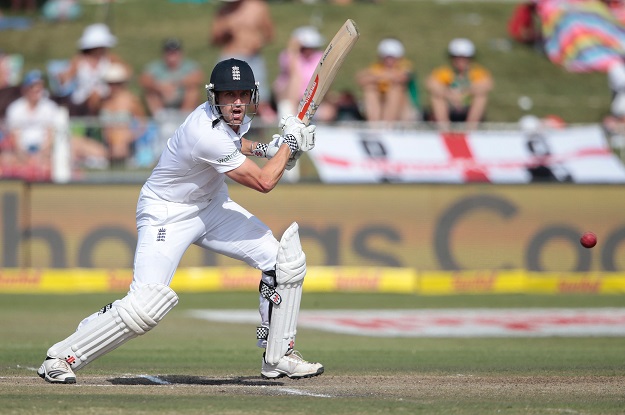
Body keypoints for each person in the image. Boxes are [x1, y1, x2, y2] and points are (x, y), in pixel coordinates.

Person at [36, 58, 322, 384]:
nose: (237, 103)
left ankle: (278, 354)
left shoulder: (231, 118)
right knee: (146, 305)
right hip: (167, 213)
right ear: (214, 97)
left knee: (282, 263)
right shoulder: (204, 132)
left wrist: (264, 148)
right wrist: (288, 144)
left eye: (243, 94)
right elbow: (264, 183)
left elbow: (237, 143)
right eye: (229, 96)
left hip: (211, 207)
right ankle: (61, 357)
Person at [210, 0, 276, 122]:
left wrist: (258, 41)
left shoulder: (257, 7)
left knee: (259, 100)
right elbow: (214, 39)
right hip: (230, 56)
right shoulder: (223, 11)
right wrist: (224, 32)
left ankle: (263, 133)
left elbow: (269, 33)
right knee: (226, 98)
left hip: (253, 57)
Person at [56, 23, 132, 116]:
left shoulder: (110, 58)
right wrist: (62, 77)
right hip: (82, 98)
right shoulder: (79, 60)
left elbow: (127, 72)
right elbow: (67, 77)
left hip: (106, 96)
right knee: (94, 96)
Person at [425, 38, 493, 131]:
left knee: (481, 97)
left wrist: (464, 94)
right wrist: (449, 94)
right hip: (449, 106)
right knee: (436, 97)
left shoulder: (477, 72)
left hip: (468, 107)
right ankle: (444, 130)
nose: (460, 61)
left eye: (464, 58)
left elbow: (487, 85)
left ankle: (470, 129)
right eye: (457, 57)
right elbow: (431, 84)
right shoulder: (445, 71)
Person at [356, 38, 420, 123]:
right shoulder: (377, 67)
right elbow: (361, 79)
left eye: (392, 58)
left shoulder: (405, 66)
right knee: (370, 89)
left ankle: (387, 124)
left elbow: (401, 78)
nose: (389, 61)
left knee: (395, 89)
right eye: (386, 57)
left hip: (404, 109)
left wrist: (377, 76)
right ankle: (375, 124)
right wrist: (384, 75)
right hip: (382, 105)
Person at [139, 38, 204, 118]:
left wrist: (175, 85)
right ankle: (160, 117)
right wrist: (160, 88)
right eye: (169, 53)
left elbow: (198, 78)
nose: (172, 56)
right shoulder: (155, 66)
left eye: (174, 53)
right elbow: (144, 80)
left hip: (182, 96)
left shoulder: (190, 65)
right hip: (162, 98)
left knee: (193, 91)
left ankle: (184, 116)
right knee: (150, 93)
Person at [273, 26, 327, 120]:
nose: (309, 50)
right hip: (290, 98)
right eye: (305, 47)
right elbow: (294, 74)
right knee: (293, 82)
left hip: (312, 100)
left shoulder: (319, 57)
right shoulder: (288, 56)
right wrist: (293, 51)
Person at [99, 62, 149, 167]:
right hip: (106, 143)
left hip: (126, 143)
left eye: (116, 83)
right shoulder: (103, 101)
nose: (113, 87)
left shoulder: (131, 100)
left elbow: (143, 123)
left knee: (119, 144)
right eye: (110, 83)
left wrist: (131, 137)